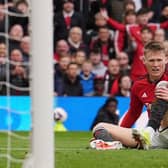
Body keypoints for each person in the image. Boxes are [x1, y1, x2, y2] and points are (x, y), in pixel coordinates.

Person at [90, 41, 168, 150]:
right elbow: (133, 113)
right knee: (99, 127)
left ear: (166, 59)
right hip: (156, 137)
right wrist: (116, 135)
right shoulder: (138, 85)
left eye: (159, 60)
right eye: (152, 60)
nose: (155, 65)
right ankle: (113, 144)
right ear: (144, 61)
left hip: (158, 130)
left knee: (163, 86)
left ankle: (148, 131)